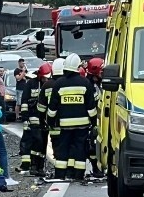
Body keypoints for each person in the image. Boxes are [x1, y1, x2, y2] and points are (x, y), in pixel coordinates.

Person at [46, 53, 97, 182]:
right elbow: (91, 107)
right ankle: (78, 175)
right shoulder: (85, 83)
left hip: (64, 125)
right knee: (80, 149)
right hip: (82, 125)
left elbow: (53, 107)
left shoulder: (59, 83)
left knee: (63, 149)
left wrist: (51, 122)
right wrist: (94, 122)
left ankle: (60, 175)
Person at [17, 62, 51, 176]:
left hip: (44, 120)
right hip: (32, 119)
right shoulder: (31, 83)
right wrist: (26, 118)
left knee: (42, 144)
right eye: (45, 78)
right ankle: (31, 165)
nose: (46, 80)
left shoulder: (49, 84)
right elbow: (25, 101)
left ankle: (40, 166)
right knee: (33, 142)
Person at [37, 57, 65, 179]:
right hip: (70, 125)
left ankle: (60, 173)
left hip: (53, 124)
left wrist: (43, 121)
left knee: (58, 151)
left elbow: (41, 108)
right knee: (71, 148)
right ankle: (72, 173)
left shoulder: (47, 85)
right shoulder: (69, 83)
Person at [85, 57, 106, 180]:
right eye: (102, 71)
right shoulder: (89, 85)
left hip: (101, 119)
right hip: (92, 120)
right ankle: (95, 168)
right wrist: (93, 123)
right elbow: (91, 105)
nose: (103, 74)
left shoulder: (98, 83)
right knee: (92, 145)